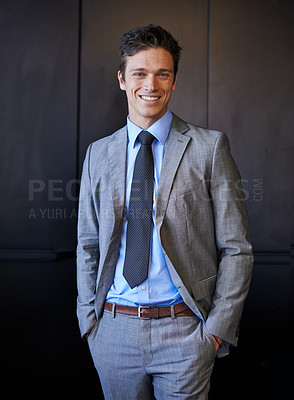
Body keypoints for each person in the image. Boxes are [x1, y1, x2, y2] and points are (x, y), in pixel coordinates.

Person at [77, 24, 254, 400]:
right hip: (114, 332)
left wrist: (216, 331)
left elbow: (237, 248)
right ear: (123, 79)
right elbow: (88, 244)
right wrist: (90, 324)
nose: (151, 84)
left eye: (163, 73)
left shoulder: (209, 148)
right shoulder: (98, 154)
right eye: (140, 73)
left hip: (185, 334)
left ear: (174, 82)